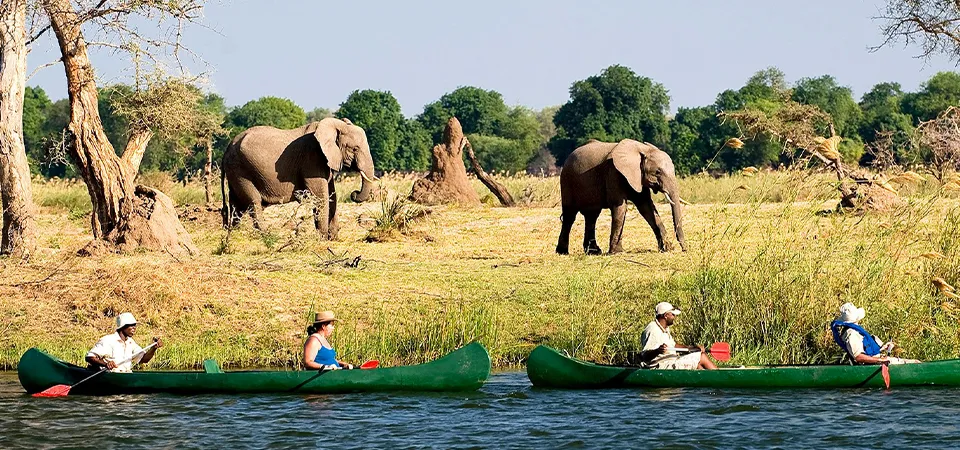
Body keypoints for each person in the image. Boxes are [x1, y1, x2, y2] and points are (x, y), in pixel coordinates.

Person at [831, 302, 920, 365]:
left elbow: (865, 350)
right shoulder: (852, 334)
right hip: (872, 365)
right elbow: (858, 357)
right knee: (915, 362)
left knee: (915, 362)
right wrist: (880, 360)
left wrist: (883, 348)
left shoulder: (854, 331)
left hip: (876, 361)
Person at [638, 302, 717, 370]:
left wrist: (693, 348)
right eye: (672, 314)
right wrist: (657, 351)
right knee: (701, 356)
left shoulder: (664, 328)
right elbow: (645, 356)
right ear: (665, 315)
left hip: (671, 361)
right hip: (661, 366)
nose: (674, 317)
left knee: (698, 364)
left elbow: (674, 345)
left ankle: (710, 384)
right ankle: (720, 377)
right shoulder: (653, 330)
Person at [86, 313, 161, 372]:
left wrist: (153, 348)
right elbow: (89, 357)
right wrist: (106, 364)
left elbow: (144, 359)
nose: (134, 328)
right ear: (122, 327)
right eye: (131, 325)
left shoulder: (130, 342)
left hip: (125, 374)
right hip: (110, 375)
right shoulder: (108, 340)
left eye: (135, 325)